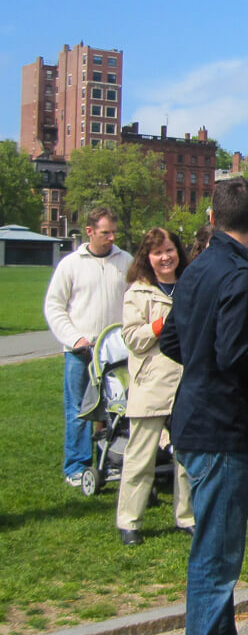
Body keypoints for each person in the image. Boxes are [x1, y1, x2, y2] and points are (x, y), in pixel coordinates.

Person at [159, 178, 248, 635]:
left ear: (212, 219)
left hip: (193, 418)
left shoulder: (196, 269)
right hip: (218, 427)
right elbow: (235, 353)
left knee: (215, 544)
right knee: (217, 555)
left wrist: (203, 361)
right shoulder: (236, 275)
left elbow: (173, 341)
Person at [115, 228, 194, 546]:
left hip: (187, 381)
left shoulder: (190, 285)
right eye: (158, 252)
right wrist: (162, 324)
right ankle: (129, 521)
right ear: (147, 258)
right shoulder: (138, 292)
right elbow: (132, 338)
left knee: (186, 456)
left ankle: (186, 516)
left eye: (170, 250)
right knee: (140, 456)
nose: (165, 257)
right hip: (151, 382)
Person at [44, 206, 132, 487]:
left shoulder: (125, 261)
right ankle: (78, 466)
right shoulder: (71, 264)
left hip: (115, 354)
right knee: (80, 411)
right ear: (90, 231)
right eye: (105, 232)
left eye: (113, 232)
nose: (111, 237)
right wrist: (75, 339)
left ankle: (111, 461)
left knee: (116, 410)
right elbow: (54, 307)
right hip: (80, 353)